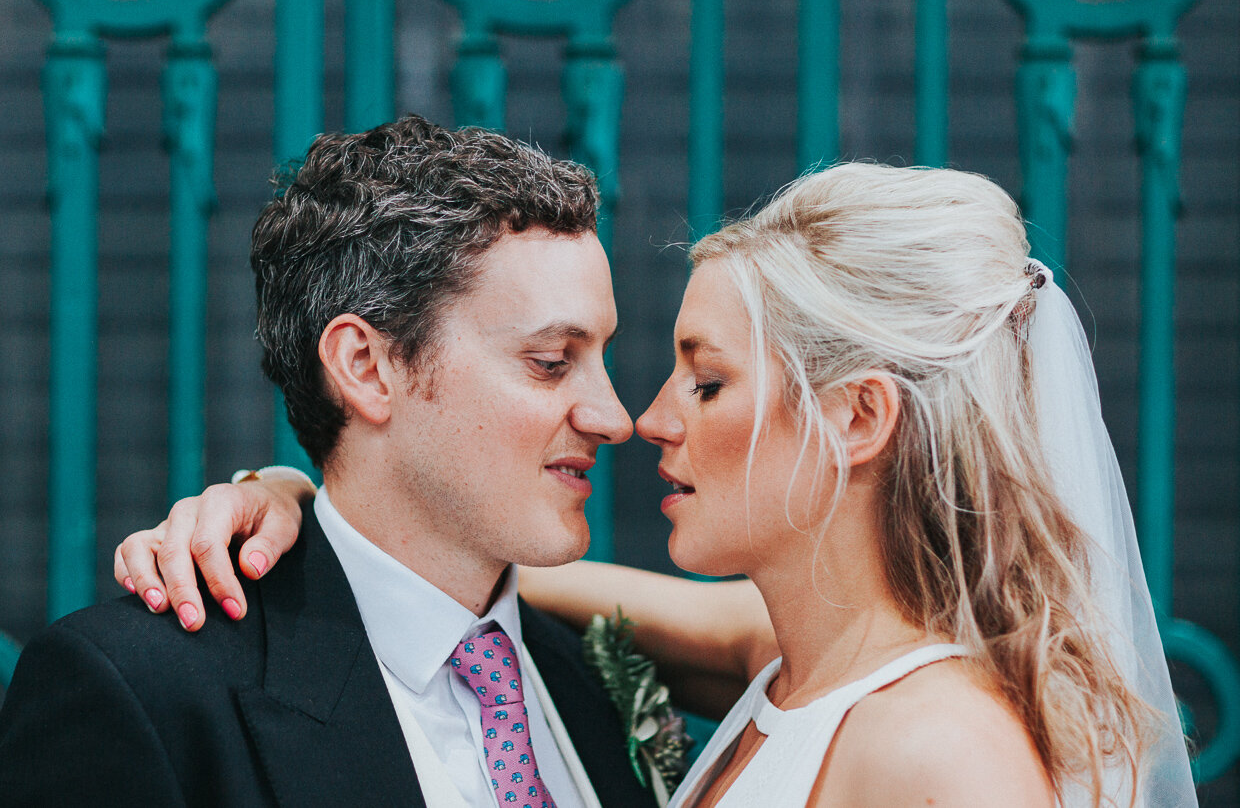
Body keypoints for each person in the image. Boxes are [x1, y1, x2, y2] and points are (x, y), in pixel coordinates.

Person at [112, 164, 1194, 806]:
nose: (642, 416)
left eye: (707, 379)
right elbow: (461, 598)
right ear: (370, 366)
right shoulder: (782, 669)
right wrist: (308, 506)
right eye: (551, 360)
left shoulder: (942, 748)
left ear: (859, 417)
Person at [0, 115, 661, 808]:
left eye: (602, 358)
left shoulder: (591, 683)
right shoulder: (142, 693)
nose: (614, 417)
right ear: (367, 368)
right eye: (551, 362)